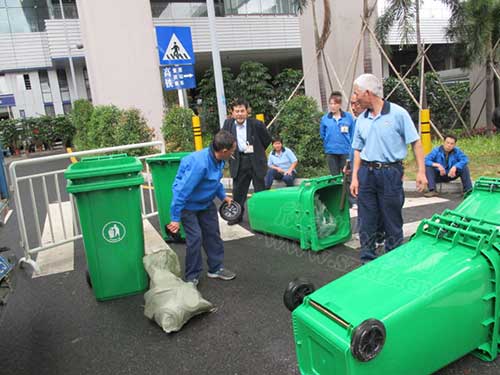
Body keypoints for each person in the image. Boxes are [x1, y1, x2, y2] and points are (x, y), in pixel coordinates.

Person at [350, 74, 427, 263]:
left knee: (391, 220)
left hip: (390, 173)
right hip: (366, 174)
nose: (355, 97)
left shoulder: (398, 114)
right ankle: (367, 260)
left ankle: (393, 262)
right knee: (366, 219)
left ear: (367, 93)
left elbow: (416, 143)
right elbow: (358, 149)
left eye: (356, 93)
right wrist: (354, 177)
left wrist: (421, 172)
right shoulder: (361, 119)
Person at [167, 130, 237, 286]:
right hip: (188, 206)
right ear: (224, 151)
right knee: (195, 238)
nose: (233, 152)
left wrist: (223, 196)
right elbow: (181, 191)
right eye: (232, 150)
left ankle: (216, 268)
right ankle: (192, 276)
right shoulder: (200, 165)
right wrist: (175, 218)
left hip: (205, 203)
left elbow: (215, 181)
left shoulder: (219, 159)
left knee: (213, 235)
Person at [222, 98, 272, 225]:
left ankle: (264, 218)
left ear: (247, 112)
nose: (239, 114)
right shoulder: (228, 124)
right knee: (238, 192)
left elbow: (266, 140)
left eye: (242, 111)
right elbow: (223, 140)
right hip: (238, 161)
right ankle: (236, 216)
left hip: (256, 160)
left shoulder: (257, 124)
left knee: (260, 192)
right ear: (232, 113)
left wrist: (258, 151)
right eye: (237, 111)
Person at [320, 91, 356, 176]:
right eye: (331, 104)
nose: (332, 106)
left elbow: (352, 133)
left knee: (347, 175)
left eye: (335, 104)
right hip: (331, 151)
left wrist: (350, 147)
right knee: (334, 176)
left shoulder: (348, 117)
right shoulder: (325, 119)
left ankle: (347, 190)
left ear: (339, 105)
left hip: (345, 151)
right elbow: (322, 134)